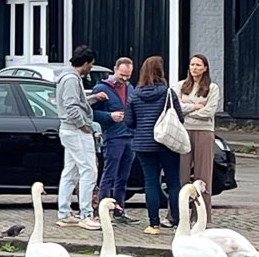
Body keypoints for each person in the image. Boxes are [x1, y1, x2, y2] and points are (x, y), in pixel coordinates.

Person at [130, 55, 184, 232]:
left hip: (143, 144)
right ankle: (176, 220)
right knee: (173, 182)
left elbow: (129, 122)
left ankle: (153, 223)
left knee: (150, 182)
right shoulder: (168, 93)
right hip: (166, 143)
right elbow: (179, 118)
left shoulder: (135, 95)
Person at [55, 46, 101, 230]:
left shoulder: (66, 77)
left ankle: (65, 212)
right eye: (91, 64)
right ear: (86, 62)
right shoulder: (72, 79)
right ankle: (86, 214)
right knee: (89, 170)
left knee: (71, 171)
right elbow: (72, 106)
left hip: (68, 129)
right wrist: (83, 125)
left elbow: (74, 102)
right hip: (76, 130)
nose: (91, 68)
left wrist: (93, 98)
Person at [90, 55, 137, 222]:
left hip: (129, 136)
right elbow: (92, 113)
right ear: (115, 69)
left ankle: (120, 211)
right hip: (113, 136)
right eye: (122, 75)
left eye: (128, 76)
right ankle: (102, 212)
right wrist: (110, 116)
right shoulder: (102, 88)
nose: (124, 79)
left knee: (123, 177)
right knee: (109, 174)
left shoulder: (131, 88)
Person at [178, 53, 221, 207]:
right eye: (192, 64)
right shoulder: (180, 86)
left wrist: (188, 113)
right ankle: (176, 214)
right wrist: (194, 107)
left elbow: (208, 112)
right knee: (182, 174)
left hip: (204, 132)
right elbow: (176, 108)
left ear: (205, 68)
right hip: (184, 131)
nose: (194, 68)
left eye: (198, 65)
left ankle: (202, 214)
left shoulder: (212, 88)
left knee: (203, 175)